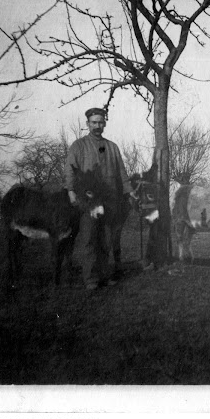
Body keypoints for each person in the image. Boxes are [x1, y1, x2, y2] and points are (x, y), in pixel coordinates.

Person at [64, 107, 135, 290]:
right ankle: (91, 279)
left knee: (105, 240)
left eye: (100, 122)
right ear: (87, 124)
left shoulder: (112, 147)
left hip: (110, 200)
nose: (97, 126)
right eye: (94, 122)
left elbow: (122, 172)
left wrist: (129, 191)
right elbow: (70, 171)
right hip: (88, 202)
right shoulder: (78, 146)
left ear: (105, 123)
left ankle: (104, 276)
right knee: (89, 238)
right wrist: (71, 192)